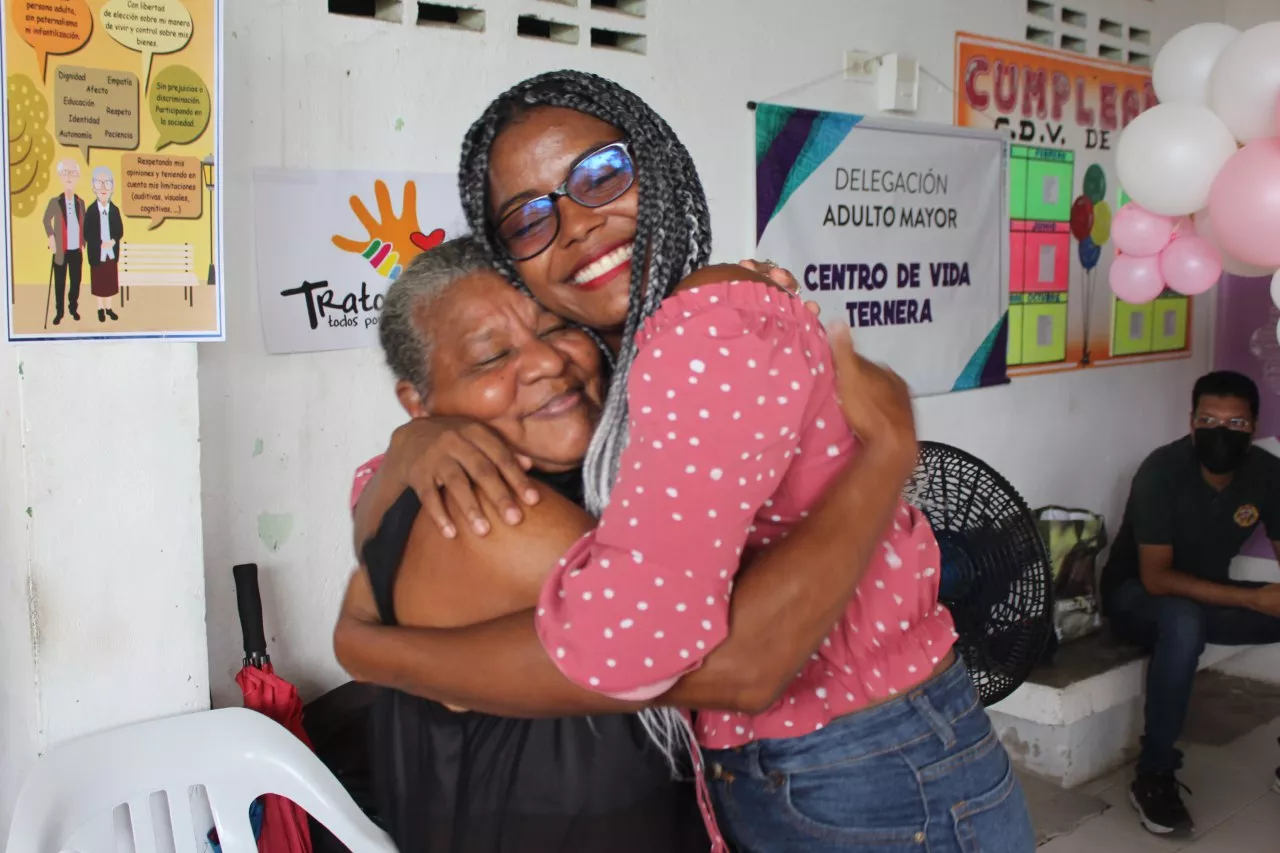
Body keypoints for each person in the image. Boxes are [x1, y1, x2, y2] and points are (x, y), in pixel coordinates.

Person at [339, 70, 1033, 852]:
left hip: (862, 768)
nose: (573, 226)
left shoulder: (702, 329)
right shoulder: (640, 355)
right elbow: (403, 492)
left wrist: (378, 653)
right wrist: (410, 449)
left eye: (600, 175)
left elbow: (707, 660)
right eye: (530, 220)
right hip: (816, 769)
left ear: (656, 161)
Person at [346, 235, 919, 852]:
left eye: (559, 328)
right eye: (490, 358)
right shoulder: (492, 516)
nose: (545, 362)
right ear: (417, 402)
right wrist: (887, 454)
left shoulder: (551, 478)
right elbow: (743, 667)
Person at [1102, 370, 1280, 836]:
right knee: (1182, 621)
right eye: (1209, 419)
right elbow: (1156, 579)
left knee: (1192, 617)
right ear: (1192, 421)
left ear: (1254, 426)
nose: (1221, 432)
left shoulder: (1266, 473)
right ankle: (1154, 774)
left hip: (1209, 597)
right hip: (1136, 599)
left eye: (1236, 423)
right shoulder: (1161, 472)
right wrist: (1254, 598)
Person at [42, 159, 85, 325]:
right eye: (65, 172)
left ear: (78, 177)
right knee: (59, 283)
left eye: (72, 172)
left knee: (76, 282)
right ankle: (59, 312)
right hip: (60, 251)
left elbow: (85, 223)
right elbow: (46, 220)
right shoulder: (55, 202)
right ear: (60, 176)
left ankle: (73, 307)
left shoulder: (80, 202)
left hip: (76, 251)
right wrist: (51, 236)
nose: (69, 176)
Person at [84, 166, 123, 323]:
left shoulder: (114, 210)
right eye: (99, 184)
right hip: (97, 253)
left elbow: (119, 230)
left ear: (112, 187)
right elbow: (87, 233)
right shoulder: (91, 211)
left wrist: (112, 241)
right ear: (94, 187)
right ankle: (100, 309)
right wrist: (99, 244)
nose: (103, 188)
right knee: (99, 283)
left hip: (111, 253)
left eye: (107, 183)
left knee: (110, 283)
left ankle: (109, 308)